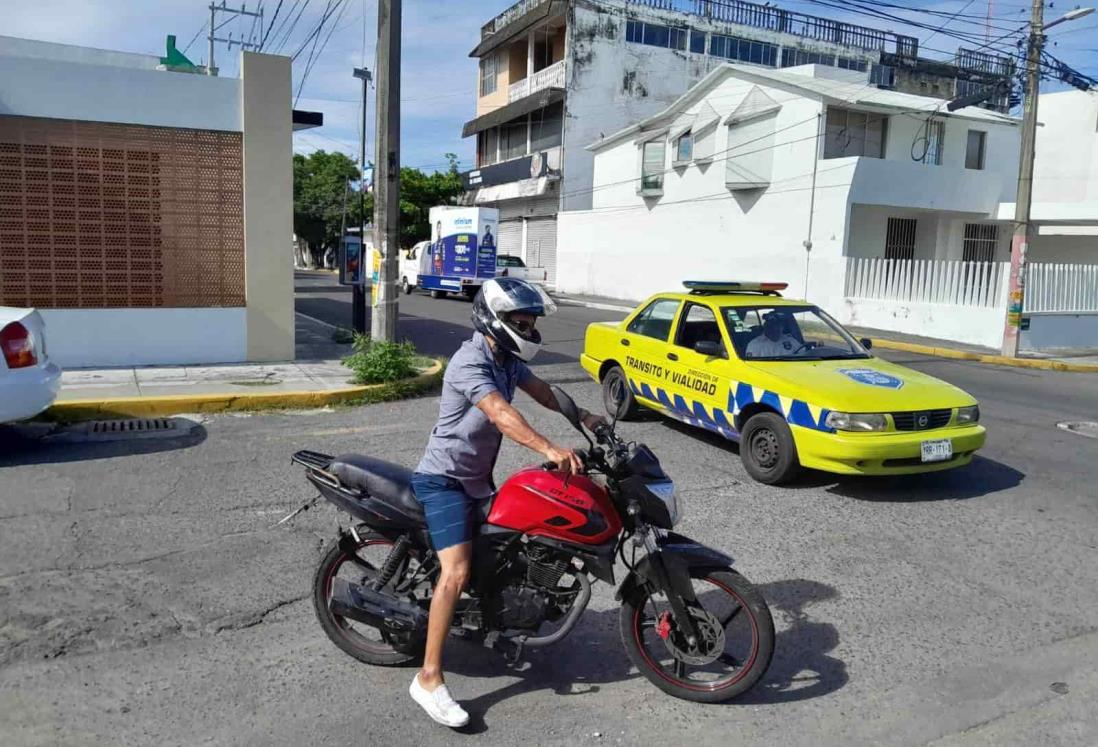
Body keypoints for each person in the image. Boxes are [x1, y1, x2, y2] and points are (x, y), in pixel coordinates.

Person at [407, 277, 605, 728]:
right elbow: (500, 413)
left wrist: (587, 417)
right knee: (455, 571)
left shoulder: (506, 358)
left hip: (477, 481)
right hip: (444, 482)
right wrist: (549, 450)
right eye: (521, 321)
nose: (529, 329)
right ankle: (429, 677)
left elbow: (548, 393)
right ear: (494, 319)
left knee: (515, 543)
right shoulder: (468, 362)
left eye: (530, 322)